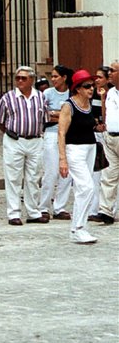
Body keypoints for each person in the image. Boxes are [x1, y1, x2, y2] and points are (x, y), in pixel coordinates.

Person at [0, 66, 48, 226]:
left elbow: (44, 118)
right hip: (14, 140)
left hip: (35, 140)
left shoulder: (40, 97)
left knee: (34, 177)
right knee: (13, 178)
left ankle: (33, 212)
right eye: (17, 78)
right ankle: (14, 213)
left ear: (32, 80)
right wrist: (11, 133)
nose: (19, 81)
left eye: (23, 78)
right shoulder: (8, 98)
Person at [58, 69, 99, 245]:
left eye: (92, 86)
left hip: (90, 148)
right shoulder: (69, 106)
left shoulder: (90, 105)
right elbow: (61, 133)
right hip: (74, 150)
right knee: (87, 187)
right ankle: (78, 228)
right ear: (78, 89)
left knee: (85, 189)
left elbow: (89, 126)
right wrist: (62, 159)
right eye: (87, 86)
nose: (91, 89)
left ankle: (79, 226)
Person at [39, 65, 73, 220]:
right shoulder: (47, 93)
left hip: (69, 134)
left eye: (55, 76)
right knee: (51, 171)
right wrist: (63, 115)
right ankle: (44, 206)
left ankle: (60, 206)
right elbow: (44, 114)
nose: (53, 80)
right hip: (52, 133)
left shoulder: (71, 93)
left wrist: (57, 114)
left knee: (67, 173)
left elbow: (73, 115)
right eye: (52, 77)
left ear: (64, 77)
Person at [90, 59, 119, 225]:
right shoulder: (110, 93)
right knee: (108, 176)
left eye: (113, 71)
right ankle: (106, 211)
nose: (110, 74)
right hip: (111, 137)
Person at [89, 66, 110, 216]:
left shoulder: (111, 94)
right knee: (95, 172)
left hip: (108, 133)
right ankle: (94, 208)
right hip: (95, 133)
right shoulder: (91, 94)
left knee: (109, 173)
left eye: (100, 77)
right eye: (95, 77)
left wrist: (103, 99)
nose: (97, 80)